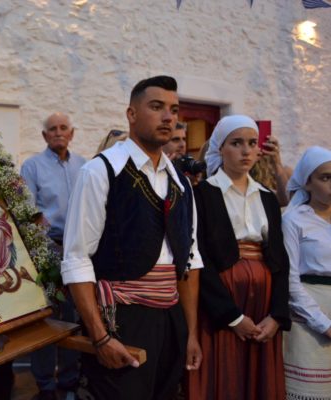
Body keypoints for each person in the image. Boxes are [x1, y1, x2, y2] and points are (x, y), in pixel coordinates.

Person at [61, 76, 203, 400]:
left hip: (171, 318)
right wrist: (100, 338)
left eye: (174, 110)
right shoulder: (100, 171)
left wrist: (190, 333)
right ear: (132, 114)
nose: (168, 117)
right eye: (156, 107)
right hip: (121, 318)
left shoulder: (181, 183)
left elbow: (189, 261)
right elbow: (77, 259)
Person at [187, 115, 291, 400]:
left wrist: (277, 315)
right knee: (227, 376)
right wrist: (232, 316)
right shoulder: (202, 194)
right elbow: (199, 257)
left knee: (259, 381)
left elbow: (280, 259)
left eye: (252, 143)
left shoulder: (267, 197)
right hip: (223, 302)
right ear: (220, 147)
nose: (246, 151)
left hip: (264, 305)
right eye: (236, 143)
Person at [20, 112, 85, 400]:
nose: (58, 132)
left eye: (63, 128)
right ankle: (45, 385)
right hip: (47, 249)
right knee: (45, 319)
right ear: (45, 136)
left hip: (78, 251)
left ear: (72, 133)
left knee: (75, 317)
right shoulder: (32, 166)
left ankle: (69, 382)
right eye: (52, 129)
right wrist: (43, 249)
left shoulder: (84, 165)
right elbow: (27, 210)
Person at [281, 146, 331, 400]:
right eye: (325, 177)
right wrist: (324, 324)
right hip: (309, 316)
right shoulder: (294, 220)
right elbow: (290, 280)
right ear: (307, 182)